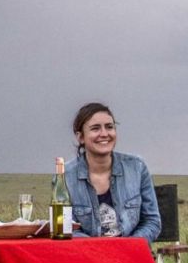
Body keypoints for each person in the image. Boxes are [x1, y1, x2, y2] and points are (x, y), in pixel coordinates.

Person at [61, 102, 162, 241]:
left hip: (132, 254)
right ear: (81, 137)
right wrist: (101, 250)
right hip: (87, 256)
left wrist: (128, 247)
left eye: (109, 127)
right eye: (95, 128)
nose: (104, 134)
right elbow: (66, 229)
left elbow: (152, 221)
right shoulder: (65, 176)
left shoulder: (137, 168)